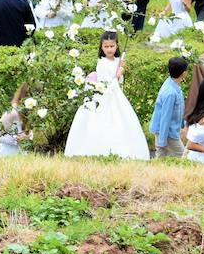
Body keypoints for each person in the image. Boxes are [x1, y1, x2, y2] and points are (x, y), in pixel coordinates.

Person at [64, 32, 150, 160]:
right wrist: (118, 74)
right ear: (102, 47)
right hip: (104, 95)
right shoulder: (102, 62)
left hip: (116, 95)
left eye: (112, 46)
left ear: (116, 46)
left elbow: (119, 83)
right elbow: (106, 83)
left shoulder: (118, 61)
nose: (109, 49)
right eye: (106, 47)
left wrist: (121, 71)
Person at [149, 56, 189, 159]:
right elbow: (165, 117)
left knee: (162, 158)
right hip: (166, 133)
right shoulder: (170, 92)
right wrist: (162, 141)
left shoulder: (172, 84)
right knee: (183, 157)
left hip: (169, 131)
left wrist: (181, 125)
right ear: (184, 73)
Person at [0, 84, 31, 157]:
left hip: (22, 157)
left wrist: (27, 136)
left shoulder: (31, 114)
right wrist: (14, 139)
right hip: (6, 156)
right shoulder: (12, 113)